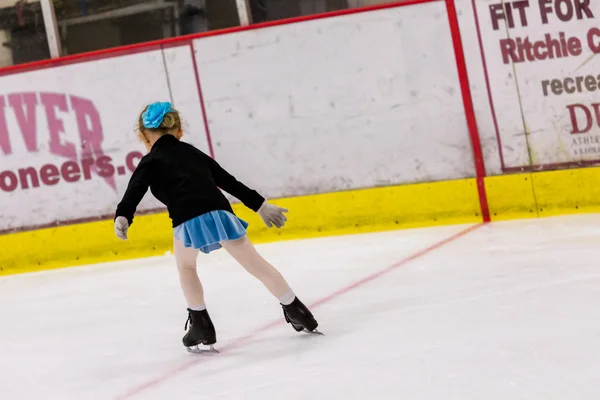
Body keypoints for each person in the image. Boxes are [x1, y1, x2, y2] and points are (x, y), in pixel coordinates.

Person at [113, 102, 319, 353]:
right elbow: (227, 180)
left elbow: (135, 190)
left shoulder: (150, 160)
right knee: (256, 264)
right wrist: (260, 205)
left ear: (144, 136)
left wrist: (123, 216)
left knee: (187, 267)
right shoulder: (192, 152)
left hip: (188, 219)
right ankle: (298, 311)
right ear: (178, 131)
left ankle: (201, 325)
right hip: (221, 214)